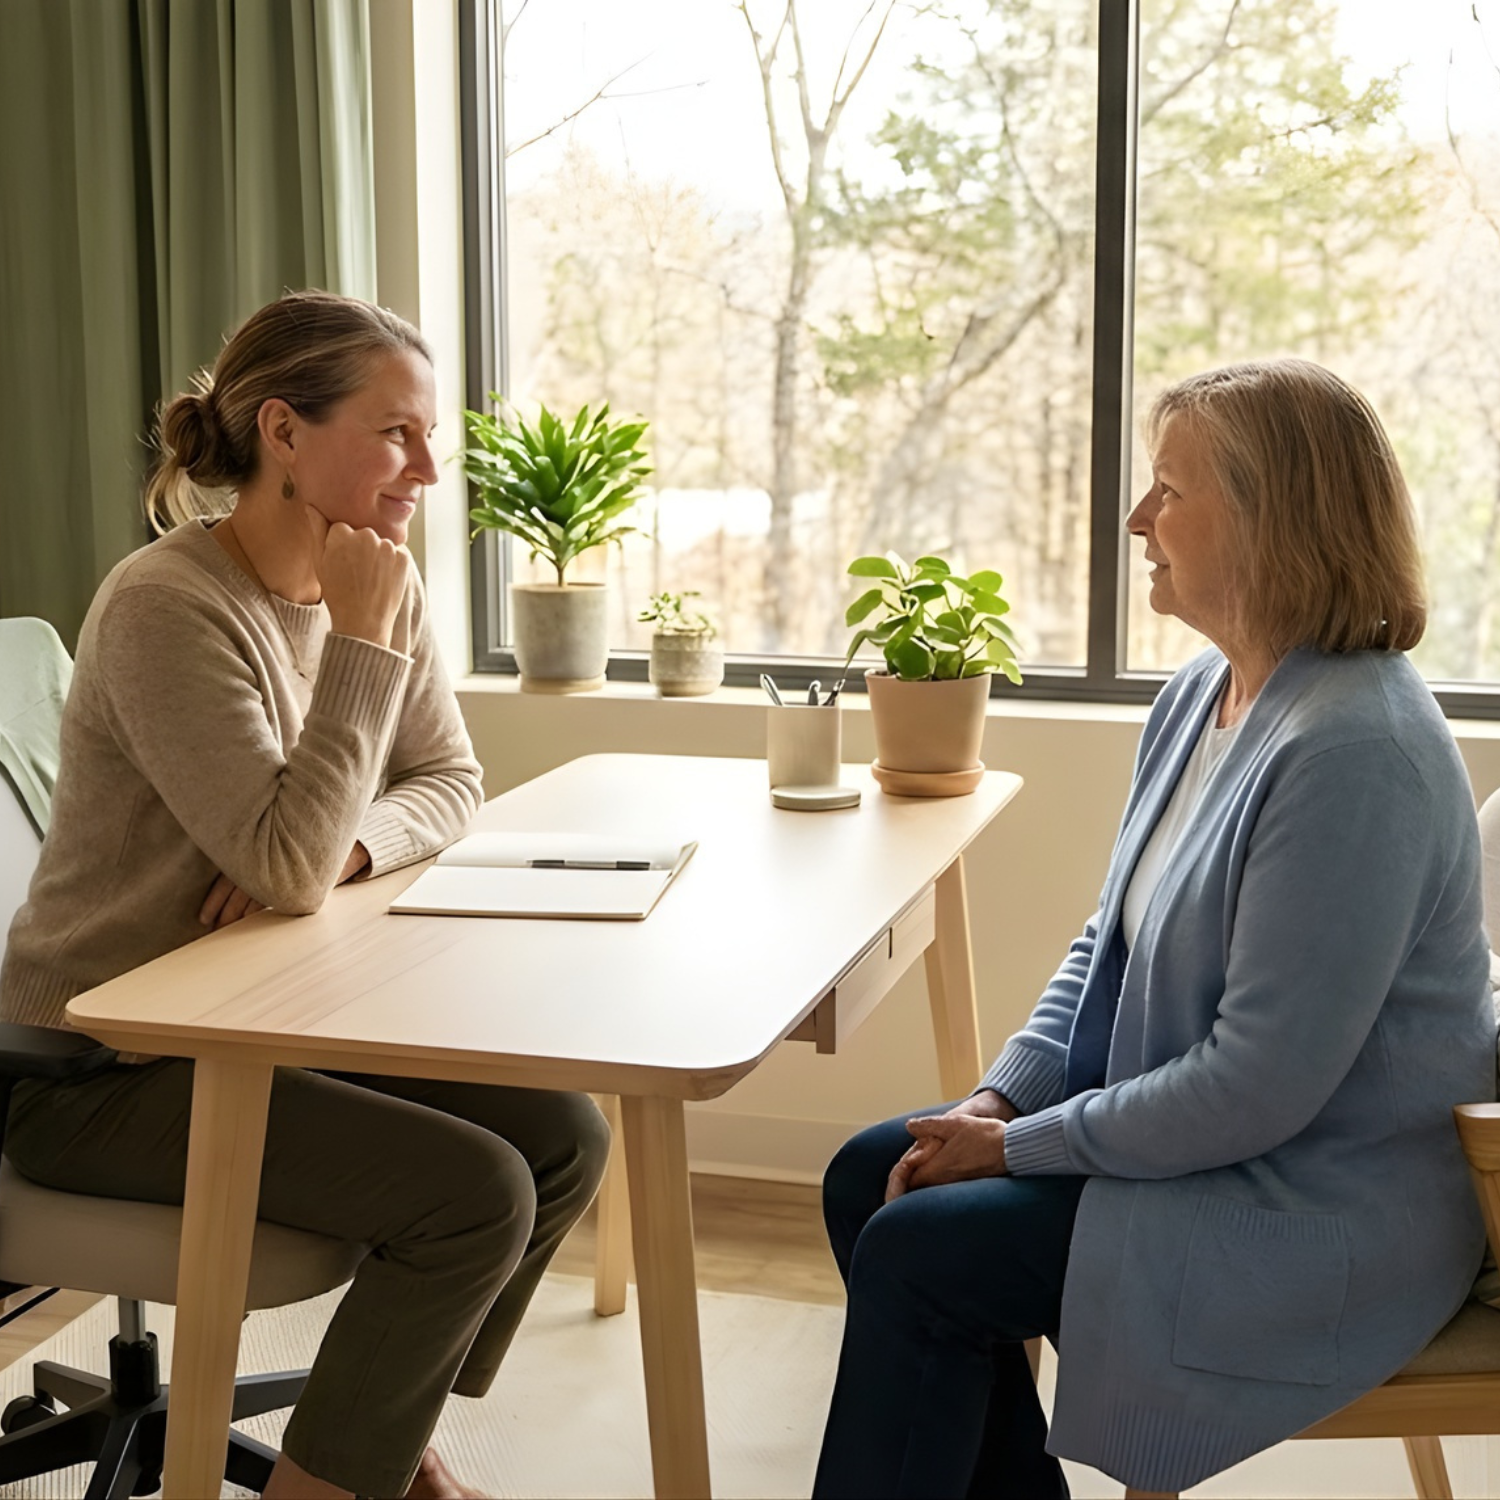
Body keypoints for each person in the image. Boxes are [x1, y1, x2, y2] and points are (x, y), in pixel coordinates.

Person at [813, 358, 1498, 1499]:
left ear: (1272, 519)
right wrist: (1000, 1099)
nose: (1139, 518)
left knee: (924, 1253)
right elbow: (1106, 942)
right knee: (868, 1176)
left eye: (1170, 492)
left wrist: (1017, 1148)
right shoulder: (1202, 694)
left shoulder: (1356, 750)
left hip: (1314, 1208)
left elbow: (1255, 1086)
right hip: (1211, 1152)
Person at [0, 289, 611, 1500]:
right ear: (283, 432)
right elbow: (278, 865)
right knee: (472, 1195)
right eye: (397, 434)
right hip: (101, 1069)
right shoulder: (169, 606)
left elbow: (446, 782)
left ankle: (375, 1439)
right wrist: (360, 659)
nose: (429, 468)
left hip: (260, 1023)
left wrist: (345, 849)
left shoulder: (378, 581)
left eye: (427, 435)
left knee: (560, 1135)